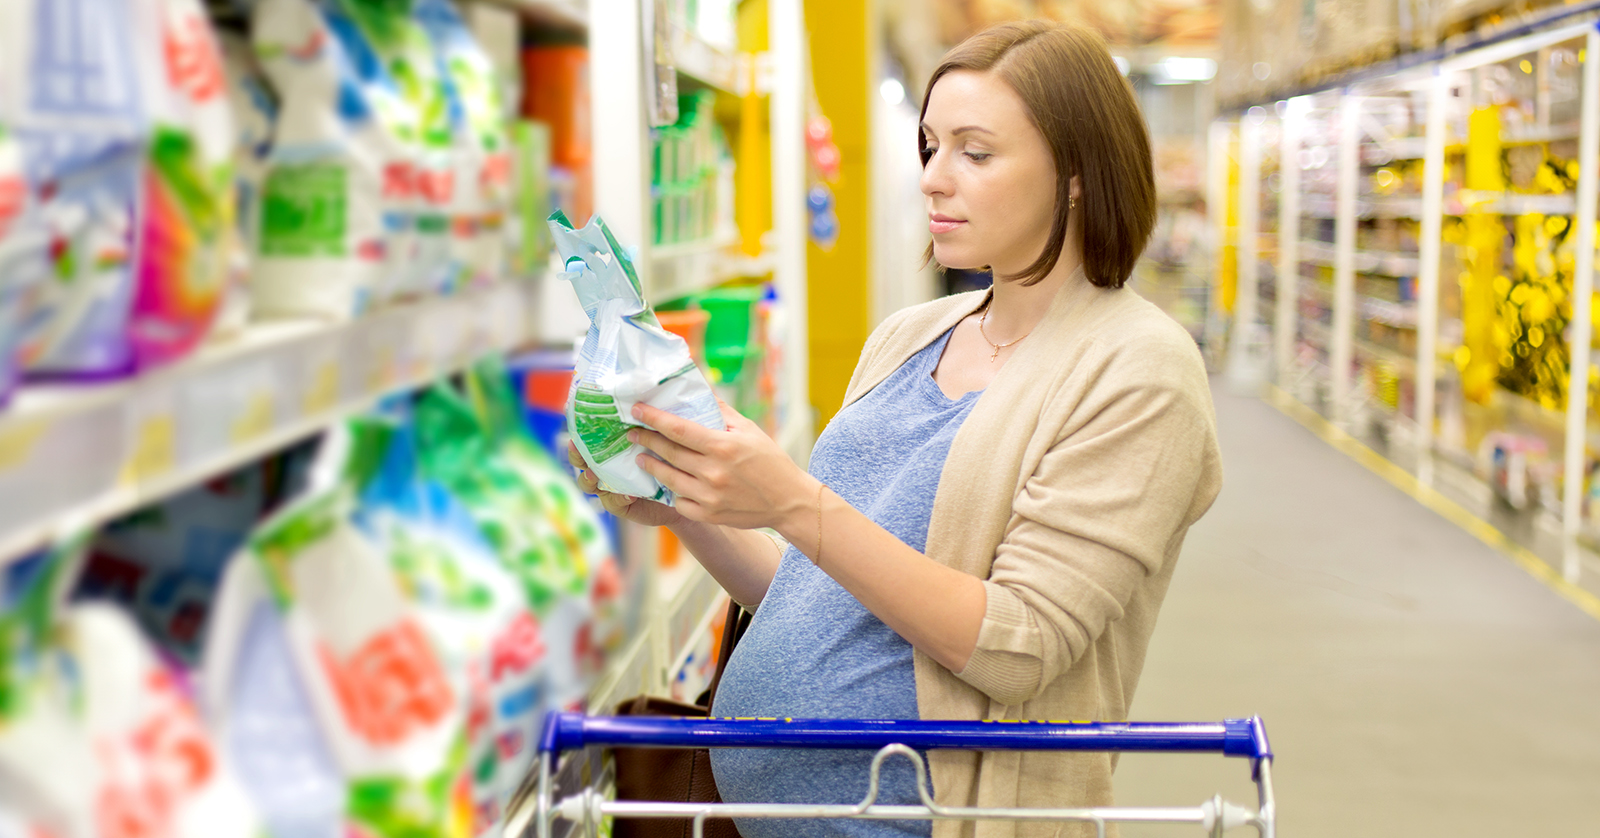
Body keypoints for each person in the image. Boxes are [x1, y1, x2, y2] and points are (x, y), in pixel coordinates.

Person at [567, 18, 1222, 838]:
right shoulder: (912, 335)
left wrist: (787, 498)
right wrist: (687, 497)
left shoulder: (1137, 370)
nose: (933, 179)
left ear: (1078, 174)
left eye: (975, 153)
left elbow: (1017, 647)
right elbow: (821, 601)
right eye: (930, 145)